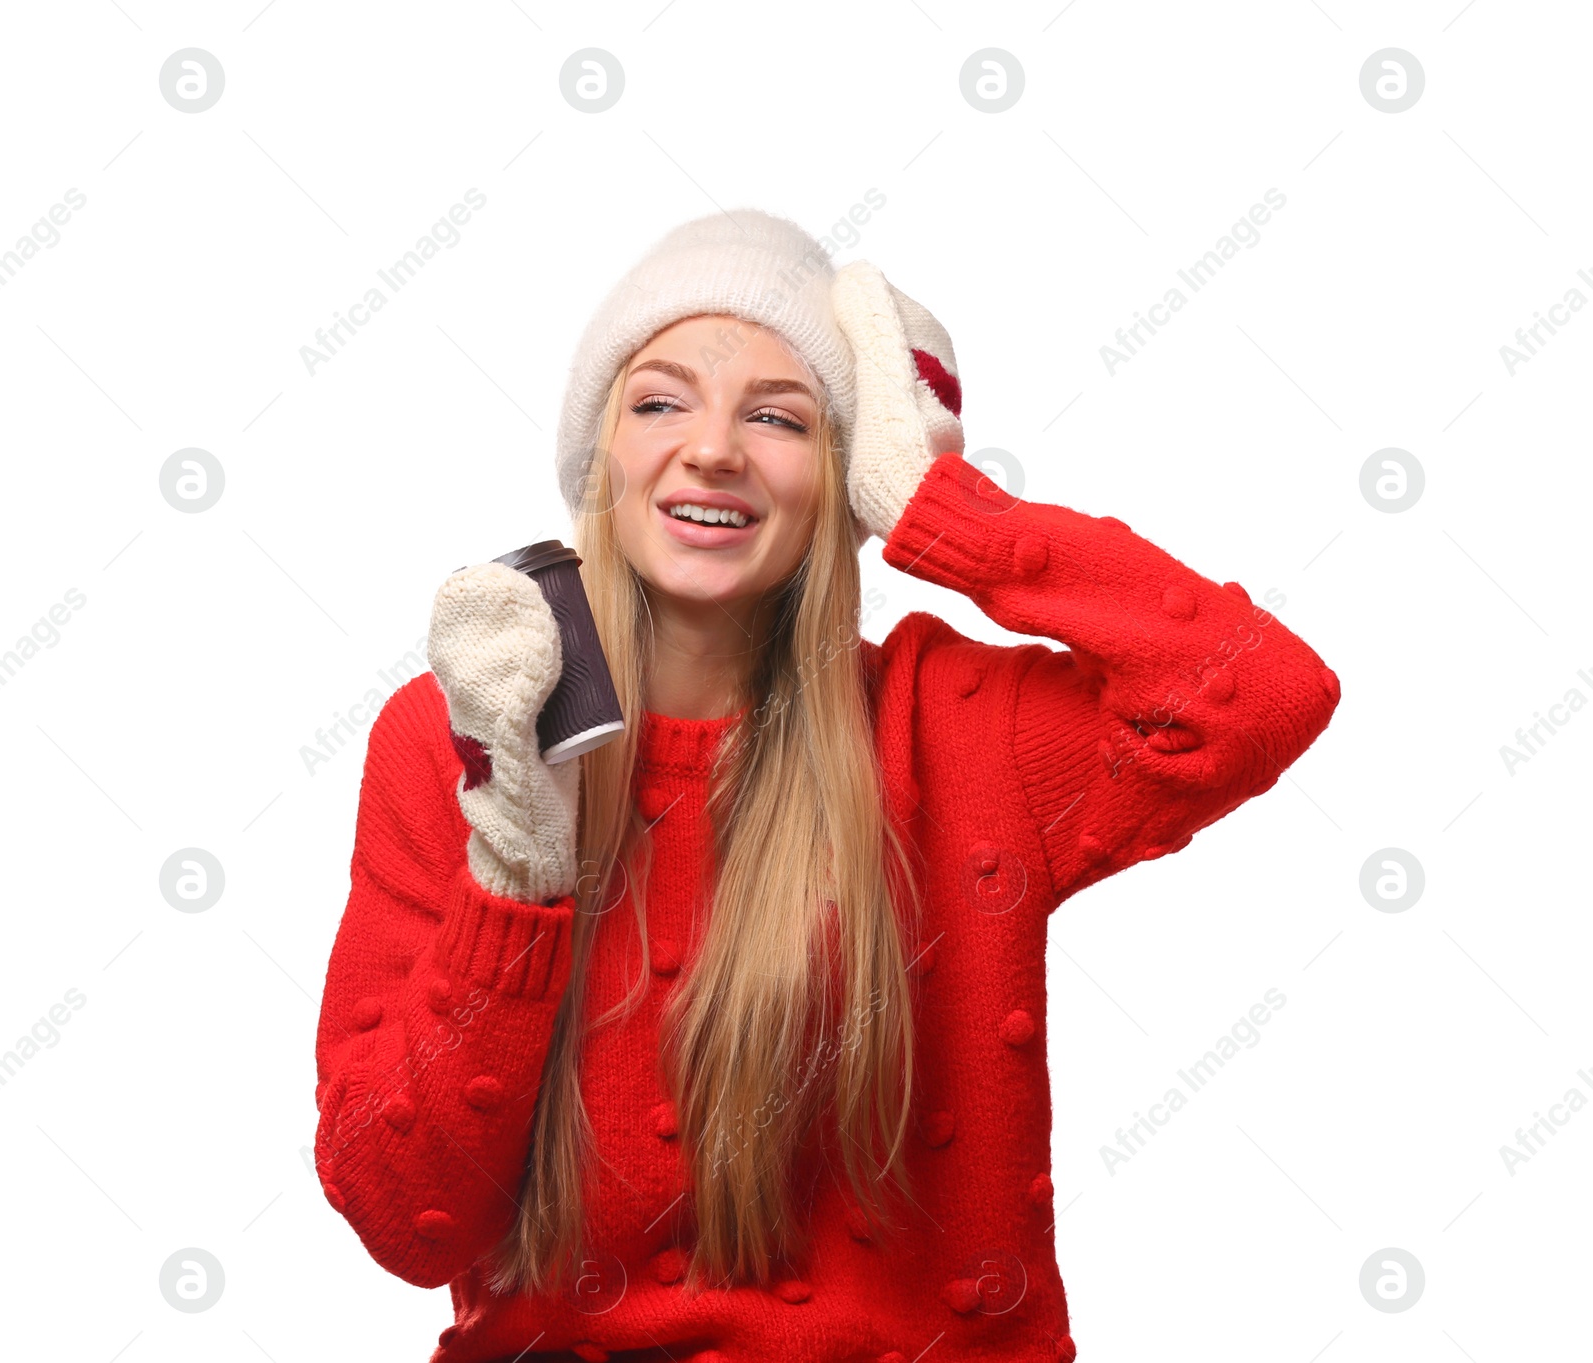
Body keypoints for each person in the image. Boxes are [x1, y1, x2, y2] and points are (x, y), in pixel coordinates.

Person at [312, 208, 1341, 1363]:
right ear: (600, 458)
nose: (711, 448)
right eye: (659, 401)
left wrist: (939, 506)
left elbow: (1262, 693)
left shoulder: (949, 731)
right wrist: (514, 870)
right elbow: (401, 1217)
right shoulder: (466, 727)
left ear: (845, 481)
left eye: (777, 417)